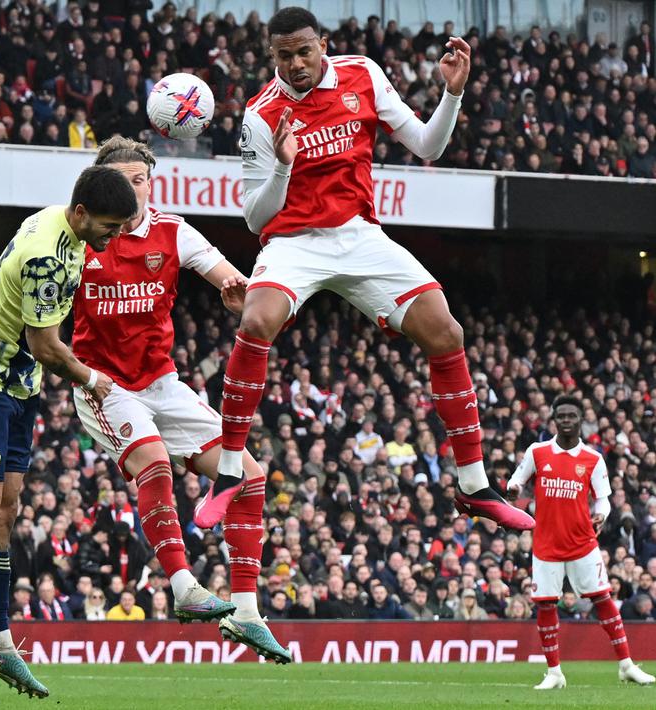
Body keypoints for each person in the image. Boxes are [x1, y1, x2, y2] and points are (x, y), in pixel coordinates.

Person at [202, 6, 533, 532]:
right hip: (294, 242)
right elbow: (254, 217)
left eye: (304, 51)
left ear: (322, 44)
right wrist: (284, 167)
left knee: (447, 332)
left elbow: (428, 145)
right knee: (256, 322)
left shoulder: (364, 74)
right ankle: (226, 474)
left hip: (359, 235)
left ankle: (473, 486)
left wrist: (451, 93)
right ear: (272, 57)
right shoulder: (260, 114)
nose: (295, 64)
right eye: (283, 56)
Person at [71, 136, 289, 662]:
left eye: (140, 180)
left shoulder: (171, 230)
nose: (133, 190)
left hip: (162, 383)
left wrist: (235, 290)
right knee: (154, 463)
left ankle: (246, 612)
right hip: (103, 383)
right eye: (122, 180)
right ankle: (184, 586)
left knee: (251, 476)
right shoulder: (77, 238)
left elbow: (222, 272)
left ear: (152, 182)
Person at [0, 162, 135, 709]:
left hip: (18, 388)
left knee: (7, 511)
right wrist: (95, 379)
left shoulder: (56, 222)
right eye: (108, 226)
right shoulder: (50, 253)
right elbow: (47, 345)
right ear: (80, 212)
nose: (113, 236)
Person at [507, 395, 655, 689]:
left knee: (602, 598)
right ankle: (554, 673)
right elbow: (517, 479)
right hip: (546, 543)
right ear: (553, 419)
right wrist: (512, 488)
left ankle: (626, 665)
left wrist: (600, 515)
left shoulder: (593, 458)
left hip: (582, 542)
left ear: (580, 420)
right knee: (547, 605)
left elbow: (603, 499)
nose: (565, 420)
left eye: (571, 416)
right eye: (560, 415)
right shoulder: (537, 452)